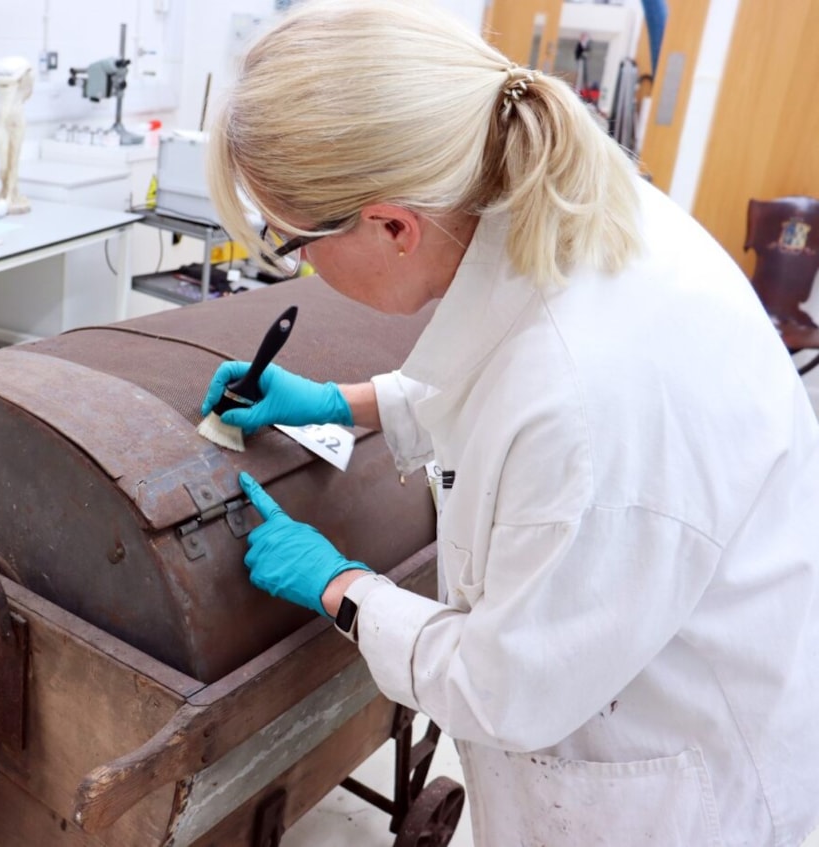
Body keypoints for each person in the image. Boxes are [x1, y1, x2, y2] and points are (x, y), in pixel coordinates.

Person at [199, 1, 819, 845]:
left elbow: (506, 688)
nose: (298, 261)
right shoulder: (561, 205)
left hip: (671, 787)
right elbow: (503, 371)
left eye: (295, 237)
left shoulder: (591, 396)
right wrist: (347, 402)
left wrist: (340, 589)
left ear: (392, 225)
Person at [0, 56, 36, 214]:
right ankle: (4, 191)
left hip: (17, 121)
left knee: (13, 162)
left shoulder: (23, 76)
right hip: (2, 121)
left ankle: (11, 194)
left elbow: (28, 92)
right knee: (3, 166)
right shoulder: (0, 77)